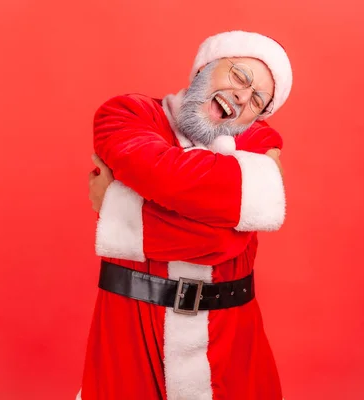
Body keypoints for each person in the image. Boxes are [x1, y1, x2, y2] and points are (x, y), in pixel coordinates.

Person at [78, 30, 293, 400]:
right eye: (239, 77)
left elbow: (259, 208)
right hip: (131, 330)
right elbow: (221, 234)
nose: (243, 95)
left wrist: (118, 208)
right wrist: (226, 224)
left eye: (258, 99)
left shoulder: (259, 140)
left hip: (232, 338)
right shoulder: (127, 114)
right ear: (204, 68)